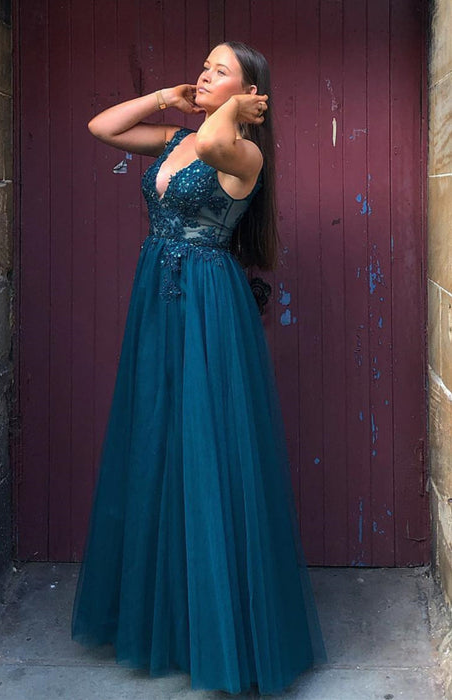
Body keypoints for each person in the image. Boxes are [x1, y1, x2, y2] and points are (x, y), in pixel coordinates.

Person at [71, 40, 328, 695]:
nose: (204, 75)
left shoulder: (245, 153)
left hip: (208, 305)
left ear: (249, 92)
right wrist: (167, 97)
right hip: (157, 299)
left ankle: (220, 634)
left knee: (207, 445)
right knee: (157, 439)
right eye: (205, 66)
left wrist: (233, 114)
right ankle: (168, 616)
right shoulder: (176, 137)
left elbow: (217, 145)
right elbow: (103, 127)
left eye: (220, 71)